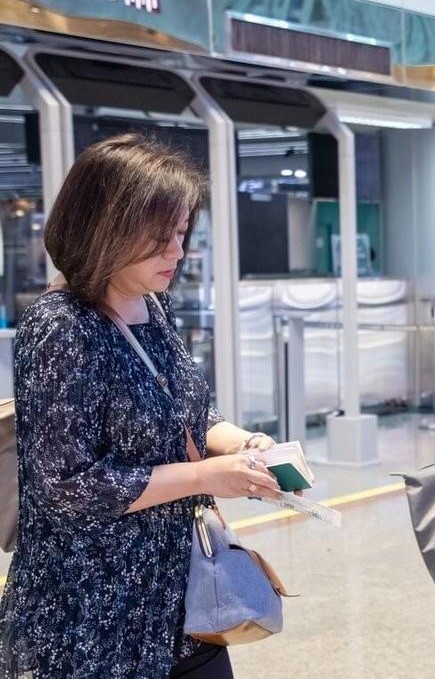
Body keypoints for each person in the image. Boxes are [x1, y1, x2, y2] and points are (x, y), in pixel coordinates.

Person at [0, 134, 284, 679]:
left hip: (181, 600)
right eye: (159, 238)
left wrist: (245, 446)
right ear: (103, 230)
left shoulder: (153, 306)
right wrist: (206, 475)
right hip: (91, 618)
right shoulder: (60, 327)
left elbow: (187, 414)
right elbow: (68, 487)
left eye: (181, 233)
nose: (176, 252)